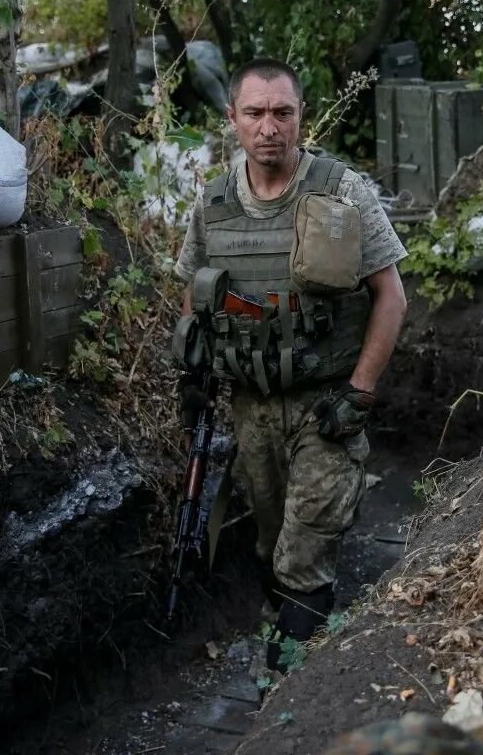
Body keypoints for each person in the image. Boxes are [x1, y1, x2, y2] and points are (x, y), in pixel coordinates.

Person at [173, 58, 408, 671]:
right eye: (255, 113)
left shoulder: (340, 191)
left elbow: (391, 297)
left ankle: (286, 693)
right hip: (251, 408)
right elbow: (196, 293)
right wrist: (193, 369)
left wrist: (359, 393)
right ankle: (287, 643)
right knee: (270, 543)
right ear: (233, 120)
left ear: (301, 116)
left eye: (282, 112)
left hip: (324, 404)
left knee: (302, 555)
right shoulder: (214, 204)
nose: (269, 127)